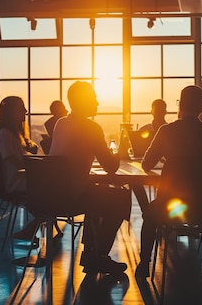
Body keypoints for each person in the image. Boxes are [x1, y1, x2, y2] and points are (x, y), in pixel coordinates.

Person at [135, 85, 202, 278]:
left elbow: (146, 163)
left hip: (168, 208)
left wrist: (171, 160)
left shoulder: (167, 131)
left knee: (150, 214)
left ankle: (144, 263)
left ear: (180, 105)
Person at [50, 81, 130, 274]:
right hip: (73, 195)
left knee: (94, 196)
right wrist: (120, 149)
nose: (98, 102)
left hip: (52, 193)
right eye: (94, 97)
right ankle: (98, 255)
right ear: (84, 101)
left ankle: (90, 254)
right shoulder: (91, 127)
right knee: (122, 199)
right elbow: (111, 167)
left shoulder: (61, 123)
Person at [0, 96, 39, 194]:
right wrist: (33, 168)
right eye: (22, 108)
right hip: (17, 181)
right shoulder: (4, 134)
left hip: (21, 178)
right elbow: (10, 158)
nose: (26, 111)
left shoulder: (12, 134)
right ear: (12, 112)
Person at [130, 99, 168, 211]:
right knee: (133, 181)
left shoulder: (169, 130)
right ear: (151, 112)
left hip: (163, 169)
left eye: (160, 111)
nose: (158, 114)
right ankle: (146, 210)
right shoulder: (143, 130)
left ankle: (151, 212)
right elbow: (136, 150)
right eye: (157, 111)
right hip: (149, 166)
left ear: (165, 112)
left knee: (134, 181)